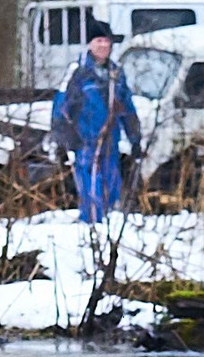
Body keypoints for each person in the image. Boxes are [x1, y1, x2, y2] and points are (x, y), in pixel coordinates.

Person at [52, 28, 142, 224]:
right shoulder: (78, 72)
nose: (102, 45)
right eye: (98, 40)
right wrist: (63, 139)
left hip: (110, 140)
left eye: (106, 41)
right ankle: (91, 225)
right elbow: (60, 106)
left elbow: (127, 107)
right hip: (84, 139)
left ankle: (107, 225)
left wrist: (135, 138)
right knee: (90, 185)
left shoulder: (116, 74)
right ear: (90, 44)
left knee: (112, 184)